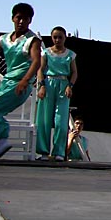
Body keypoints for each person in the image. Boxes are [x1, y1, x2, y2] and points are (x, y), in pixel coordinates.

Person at [0, 3, 42, 161]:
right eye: (18, 18)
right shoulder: (5, 39)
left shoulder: (32, 40)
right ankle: (1, 139)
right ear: (13, 18)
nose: (21, 22)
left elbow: (36, 62)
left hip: (20, 85)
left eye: (25, 19)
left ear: (30, 21)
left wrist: (25, 80)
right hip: (7, 84)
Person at [35, 26, 78, 161]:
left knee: (61, 120)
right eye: (55, 37)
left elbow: (74, 72)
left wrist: (70, 85)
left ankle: (59, 151)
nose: (57, 39)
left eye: (60, 37)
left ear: (65, 37)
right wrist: (41, 86)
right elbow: (40, 69)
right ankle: (43, 151)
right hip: (48, 84)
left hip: (63, 85)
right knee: (44, 119)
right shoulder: (46, 53)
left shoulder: (70, 54)